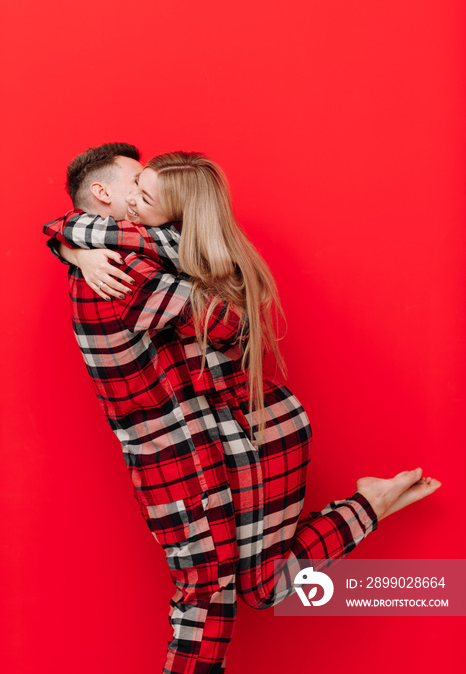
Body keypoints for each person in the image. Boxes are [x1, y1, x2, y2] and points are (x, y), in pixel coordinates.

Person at [44, 144, 441, 673]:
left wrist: (66, 237)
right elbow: (200, 301)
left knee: (206, 595)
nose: (145, 195)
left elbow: (227, 324)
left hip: (245, 435)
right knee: (261, 586)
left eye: (150, 191)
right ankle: (367, 505)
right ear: (102, 194)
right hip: (199, 452)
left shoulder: (137, 251)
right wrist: (69, 240)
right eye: (137, 184)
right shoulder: (113, 266)